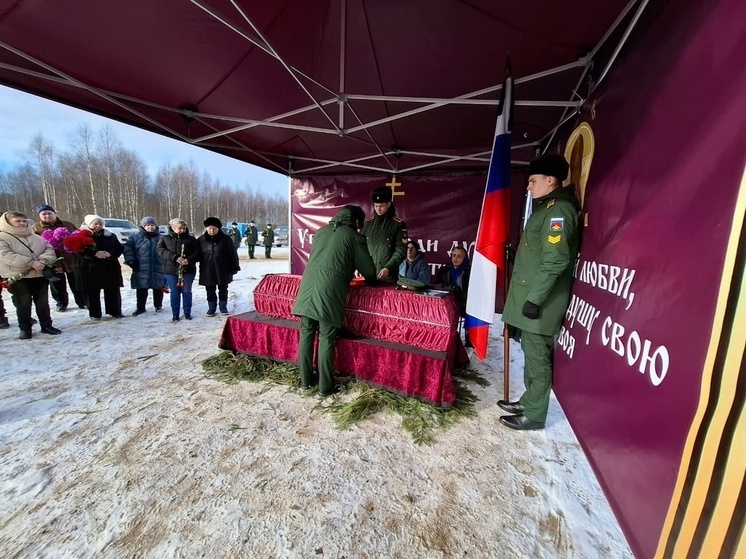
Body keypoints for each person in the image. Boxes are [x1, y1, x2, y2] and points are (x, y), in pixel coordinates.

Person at [498, 154, 580, 431]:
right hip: (533, 294)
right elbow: (540, 254)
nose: (529, 187)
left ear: (550, 180)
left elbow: (556, 260)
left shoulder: (558, 211)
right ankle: (528, 400)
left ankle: (534, 414)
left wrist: (534, 299)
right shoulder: (546, 208)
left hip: (541, 300)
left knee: (537, 357)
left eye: (533, 181)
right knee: (531, 353)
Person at [292, 205, 377, 396]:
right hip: (328, 294)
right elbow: (369, 271)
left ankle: (305, 381)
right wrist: (373, 280)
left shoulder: (321, 232)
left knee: (306, 335)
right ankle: (325, 387)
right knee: (326, 338)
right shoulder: (354, 237)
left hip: (306, 289)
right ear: (357, 222)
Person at [0, 211, 61, 339]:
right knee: (23, 303)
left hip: (39, 274)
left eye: (24, 221)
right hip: (18, 276)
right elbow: (5, 255)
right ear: (7, 222)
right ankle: (25, 328)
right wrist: (31, 263)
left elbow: (49, 248)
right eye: (18, 221)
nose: (22, 223)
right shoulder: (2, 237)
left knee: (42, 302)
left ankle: (46, 325)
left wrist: (43, 261)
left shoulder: (35, 236)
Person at [32, 203, 87, 311]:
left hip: (71, 258)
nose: (47, 216)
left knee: (76, 281)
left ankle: (82, 301)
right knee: (56, 284)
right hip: (53, 260)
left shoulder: (67, 224)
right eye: (44, 214)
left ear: (54, 213)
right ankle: (61, 303)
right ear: (40, 216)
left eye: (49, 213)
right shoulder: (36, 228)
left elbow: (78, 236)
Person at [73, 215, 125, 321]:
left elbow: (119, 248)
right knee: (92, 292)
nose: (98, 226)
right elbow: (78, 251)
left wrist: (110, 254)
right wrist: (94, 254)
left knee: (112, 290)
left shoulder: (110, 235)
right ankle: (95, 314)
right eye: (95, 223)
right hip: (90, 268)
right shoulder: (81, 236)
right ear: (89, 224)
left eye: (100, 223)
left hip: (109, 266)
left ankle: (115, 311)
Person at [361, 186, 407, 283]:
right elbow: (361, 247)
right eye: (376, 206)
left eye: (381, 206)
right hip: (368, 275)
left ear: (389, 204)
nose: (378, 209)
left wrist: (388, 268)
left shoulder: (397, 224)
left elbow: (401, 250)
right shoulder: (367, 223)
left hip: (388, 277)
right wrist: (358, 266)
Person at [157, 218, 200, 322]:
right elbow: (160, 251)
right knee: (175, 292)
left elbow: (197, 253)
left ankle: (187, 312)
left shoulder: (191, 239)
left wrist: (188, 260)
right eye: (179, 228)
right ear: (173, 228)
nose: (182, 230)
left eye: (184, 228)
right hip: (171, 270)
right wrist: (175, 257)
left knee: (186, 291)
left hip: (188, 270)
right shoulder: (165, 238)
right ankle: (175, 314)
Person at [198, 217, 240, 316]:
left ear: (218, 229)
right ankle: (211, 308)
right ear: (206, 228)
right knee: (210, 289)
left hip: (223, 268)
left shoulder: (226, 239)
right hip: (207, 268)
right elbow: (196, 253)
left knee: (223, 288)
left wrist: (234, 266)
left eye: (214, 229)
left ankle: (223, 307)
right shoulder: (201, 240)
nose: (212, 231)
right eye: (210, 229)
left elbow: (233, 254)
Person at [124, 216, 165, 316]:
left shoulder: (161, 237)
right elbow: (128, 249)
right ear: (143, 226)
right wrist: (130, 260)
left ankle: (158, 305)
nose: (150, 227)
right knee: (141, 287)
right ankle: (141, 307)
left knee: (158, 287)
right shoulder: (135, 237)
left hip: (158, 265)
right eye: (148, 225)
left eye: (152, 225)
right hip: (141, 266)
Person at [435, 246, 472, 347]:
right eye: (454, 255)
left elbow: (472, 292)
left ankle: (469, 340)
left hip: (463, 304)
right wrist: (449, 288)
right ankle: (442, 338)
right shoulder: (444, 270)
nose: (455, 258)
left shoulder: (469, 272)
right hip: (446, 304)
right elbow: (436, 286)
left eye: (459, 256)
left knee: (473, 310)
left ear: (465, 259)